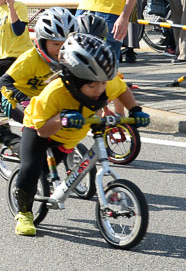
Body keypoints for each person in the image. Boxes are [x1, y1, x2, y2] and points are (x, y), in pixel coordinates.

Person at [11, 33, 149, 237]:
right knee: (32, 170)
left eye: (102, 83)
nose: (99, 90)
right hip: (42, 129)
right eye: (92, 86)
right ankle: (23, 213)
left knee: (54, 168)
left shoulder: (103, 83)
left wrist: (135, 109)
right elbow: (42, 130)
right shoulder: (55, 93)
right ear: (73, 81)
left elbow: (121, 90)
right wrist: (61, 118)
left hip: (71, 133)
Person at [0, 7, 78, 147]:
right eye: (55, 44)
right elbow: (2, 81)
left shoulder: (67, 57)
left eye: (66, 44)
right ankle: (3, 135)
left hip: (42, 99)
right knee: (37, 137)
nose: (61, 49)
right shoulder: (30, 59)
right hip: (16, 100)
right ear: (42, 41)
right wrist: (24, 99)